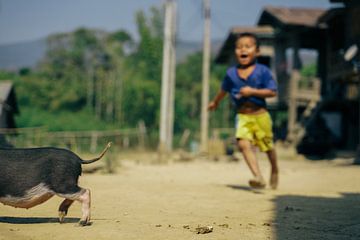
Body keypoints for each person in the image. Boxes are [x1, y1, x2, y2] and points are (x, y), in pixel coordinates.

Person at [208, 32, 279, 189]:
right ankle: (258, 176)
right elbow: (223, 90)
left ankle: (274, 168)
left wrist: (252, 92)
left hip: (261, 115)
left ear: (257, 51)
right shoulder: (231, 74)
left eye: (247, 46)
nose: (242, 50)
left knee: (267, 147)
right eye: (239, 47)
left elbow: (272, 92)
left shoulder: (263, 71)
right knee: (243, 144)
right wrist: (215, 102)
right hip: (243, 116)